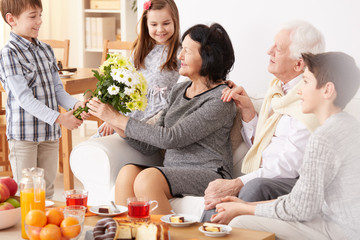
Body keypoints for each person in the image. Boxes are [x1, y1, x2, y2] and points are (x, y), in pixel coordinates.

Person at [87, 23, 237, 214]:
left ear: (208, 58)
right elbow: (152, 145)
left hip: (210, 173)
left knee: (148, 177)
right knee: (127, 173)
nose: (180, 56)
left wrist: (117, 118)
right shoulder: (178, 90)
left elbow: (171, 137)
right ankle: (128, 234)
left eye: (187, 51)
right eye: (181, 49)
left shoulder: (221, 99)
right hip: (173, 172)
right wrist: (117, 124)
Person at [212, 52, 360, 240]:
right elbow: (303, 201)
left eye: (305, 82)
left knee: (240, 223)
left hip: (340, 231)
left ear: (327, 90)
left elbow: (301, 208)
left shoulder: (323, 138)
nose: (298, 91)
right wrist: (245, 206)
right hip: (337, 222)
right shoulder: (350, 126)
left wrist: (242, 208)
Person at [202, 20, 325, 221]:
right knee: (218, 198)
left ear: (299, 63)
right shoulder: (277, 92)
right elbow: (261, 150)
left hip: (293, 181)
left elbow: (288, 167)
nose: (269, 51)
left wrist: (238, 183)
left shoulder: (308, 98)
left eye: (278, 48)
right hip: (269, 178)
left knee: (252, 187)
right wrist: (249, 113)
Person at [0, 0, 88, 198]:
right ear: (11, 19)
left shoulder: (46, 50)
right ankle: (28, 229)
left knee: (47, 191)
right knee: (28, 192)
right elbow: (24, 99)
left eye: (40, 14)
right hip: (24, 136)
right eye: (32, 16)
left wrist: (76, 104)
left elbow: (58, 90)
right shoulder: (9, 54)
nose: (39, 21)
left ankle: (45, 228)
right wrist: (61, 118)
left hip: (49, 134)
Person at [94, 0, 180, 137]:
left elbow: (203, 76)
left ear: (175, 21)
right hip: (130, 112)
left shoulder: (180, 52)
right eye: (154, 24)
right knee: (97, 140)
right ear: (146, 25)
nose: (160, 29)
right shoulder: (140, 50)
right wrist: (113, 118)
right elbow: (125, 86)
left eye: (166, 23)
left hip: (154, 118)